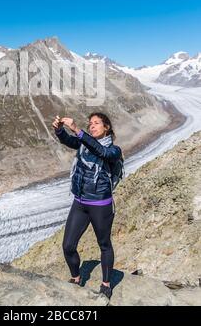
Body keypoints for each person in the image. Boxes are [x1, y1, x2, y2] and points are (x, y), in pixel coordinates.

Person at [52, 112, 122, 300]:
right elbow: (69, 141)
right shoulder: (85, 143)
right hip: (80, 202)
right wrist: (59, 131)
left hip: (100, 204)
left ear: (106, 127)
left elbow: (102, 152)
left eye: (96, 123)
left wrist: (77, 129)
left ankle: (106, 284)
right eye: (90, 123)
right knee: (68, 245)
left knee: (104, 244)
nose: (92, 126)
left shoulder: (114, 150)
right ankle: (76, 278)